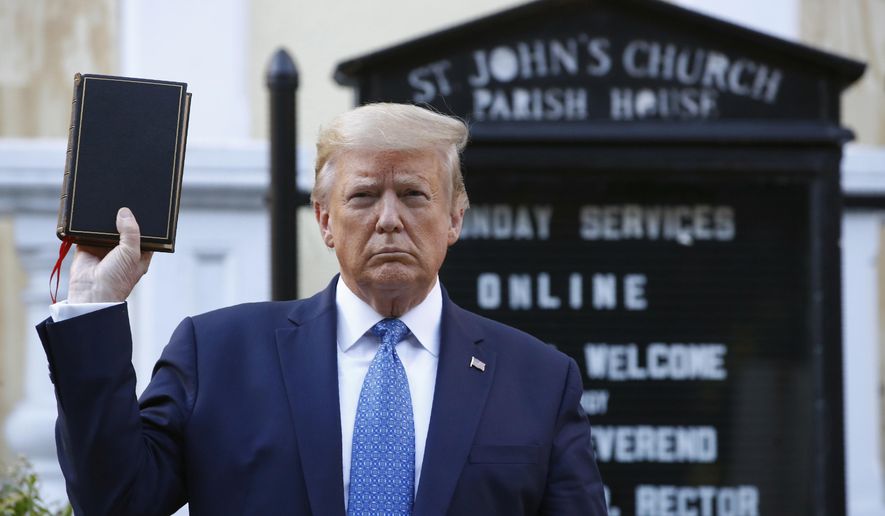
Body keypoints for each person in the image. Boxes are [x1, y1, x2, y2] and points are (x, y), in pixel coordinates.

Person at [37, 103, 608, 515]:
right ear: (325, 219)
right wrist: (95, 309)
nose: (389, 219)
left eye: (413, 194)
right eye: (363, 196)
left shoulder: (538, 379)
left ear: (455, 217)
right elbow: (115, 500)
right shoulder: (219, 355)